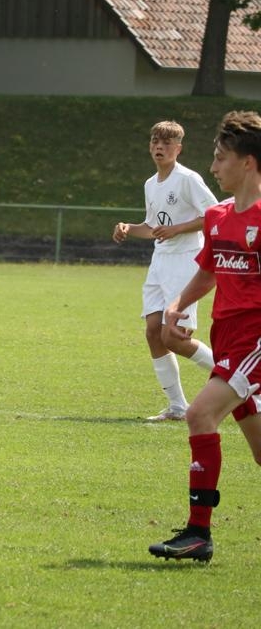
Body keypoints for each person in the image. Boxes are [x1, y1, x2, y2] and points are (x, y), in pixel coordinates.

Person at [148, 111, 261, 562]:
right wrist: (176, 305)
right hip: (228, 337)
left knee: (199, 414)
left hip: (255, 341)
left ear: (248, 163)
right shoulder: (216, 217)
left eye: (221, 158)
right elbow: (208, 271)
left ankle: (199, 533)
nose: (213, 168)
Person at [113, 120, 217, 421]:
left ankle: (240, 379)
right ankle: (177, 406)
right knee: (152, 331)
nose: (159, 147)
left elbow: (213, 215)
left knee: (174, 336)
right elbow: (152, 227)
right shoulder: (150, 184)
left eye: (167, 143)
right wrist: (128, 228)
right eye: (155, 142)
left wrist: (177, 229)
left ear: (178, 149)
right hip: (160, 262)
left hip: (185, 261)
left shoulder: (188, 179)